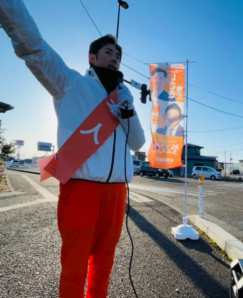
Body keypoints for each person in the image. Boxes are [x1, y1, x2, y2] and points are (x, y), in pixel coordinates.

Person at [0, 1, 145, 298]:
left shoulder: (123, 97)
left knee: (104, 264)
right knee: (75, 265)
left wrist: (128, 111)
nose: (115, 59)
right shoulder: (71, 84)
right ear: (92, 57)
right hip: (81, 190)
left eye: (118, 56)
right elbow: (36, 51)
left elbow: (138, 143)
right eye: (108, 53)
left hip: (117, 192)